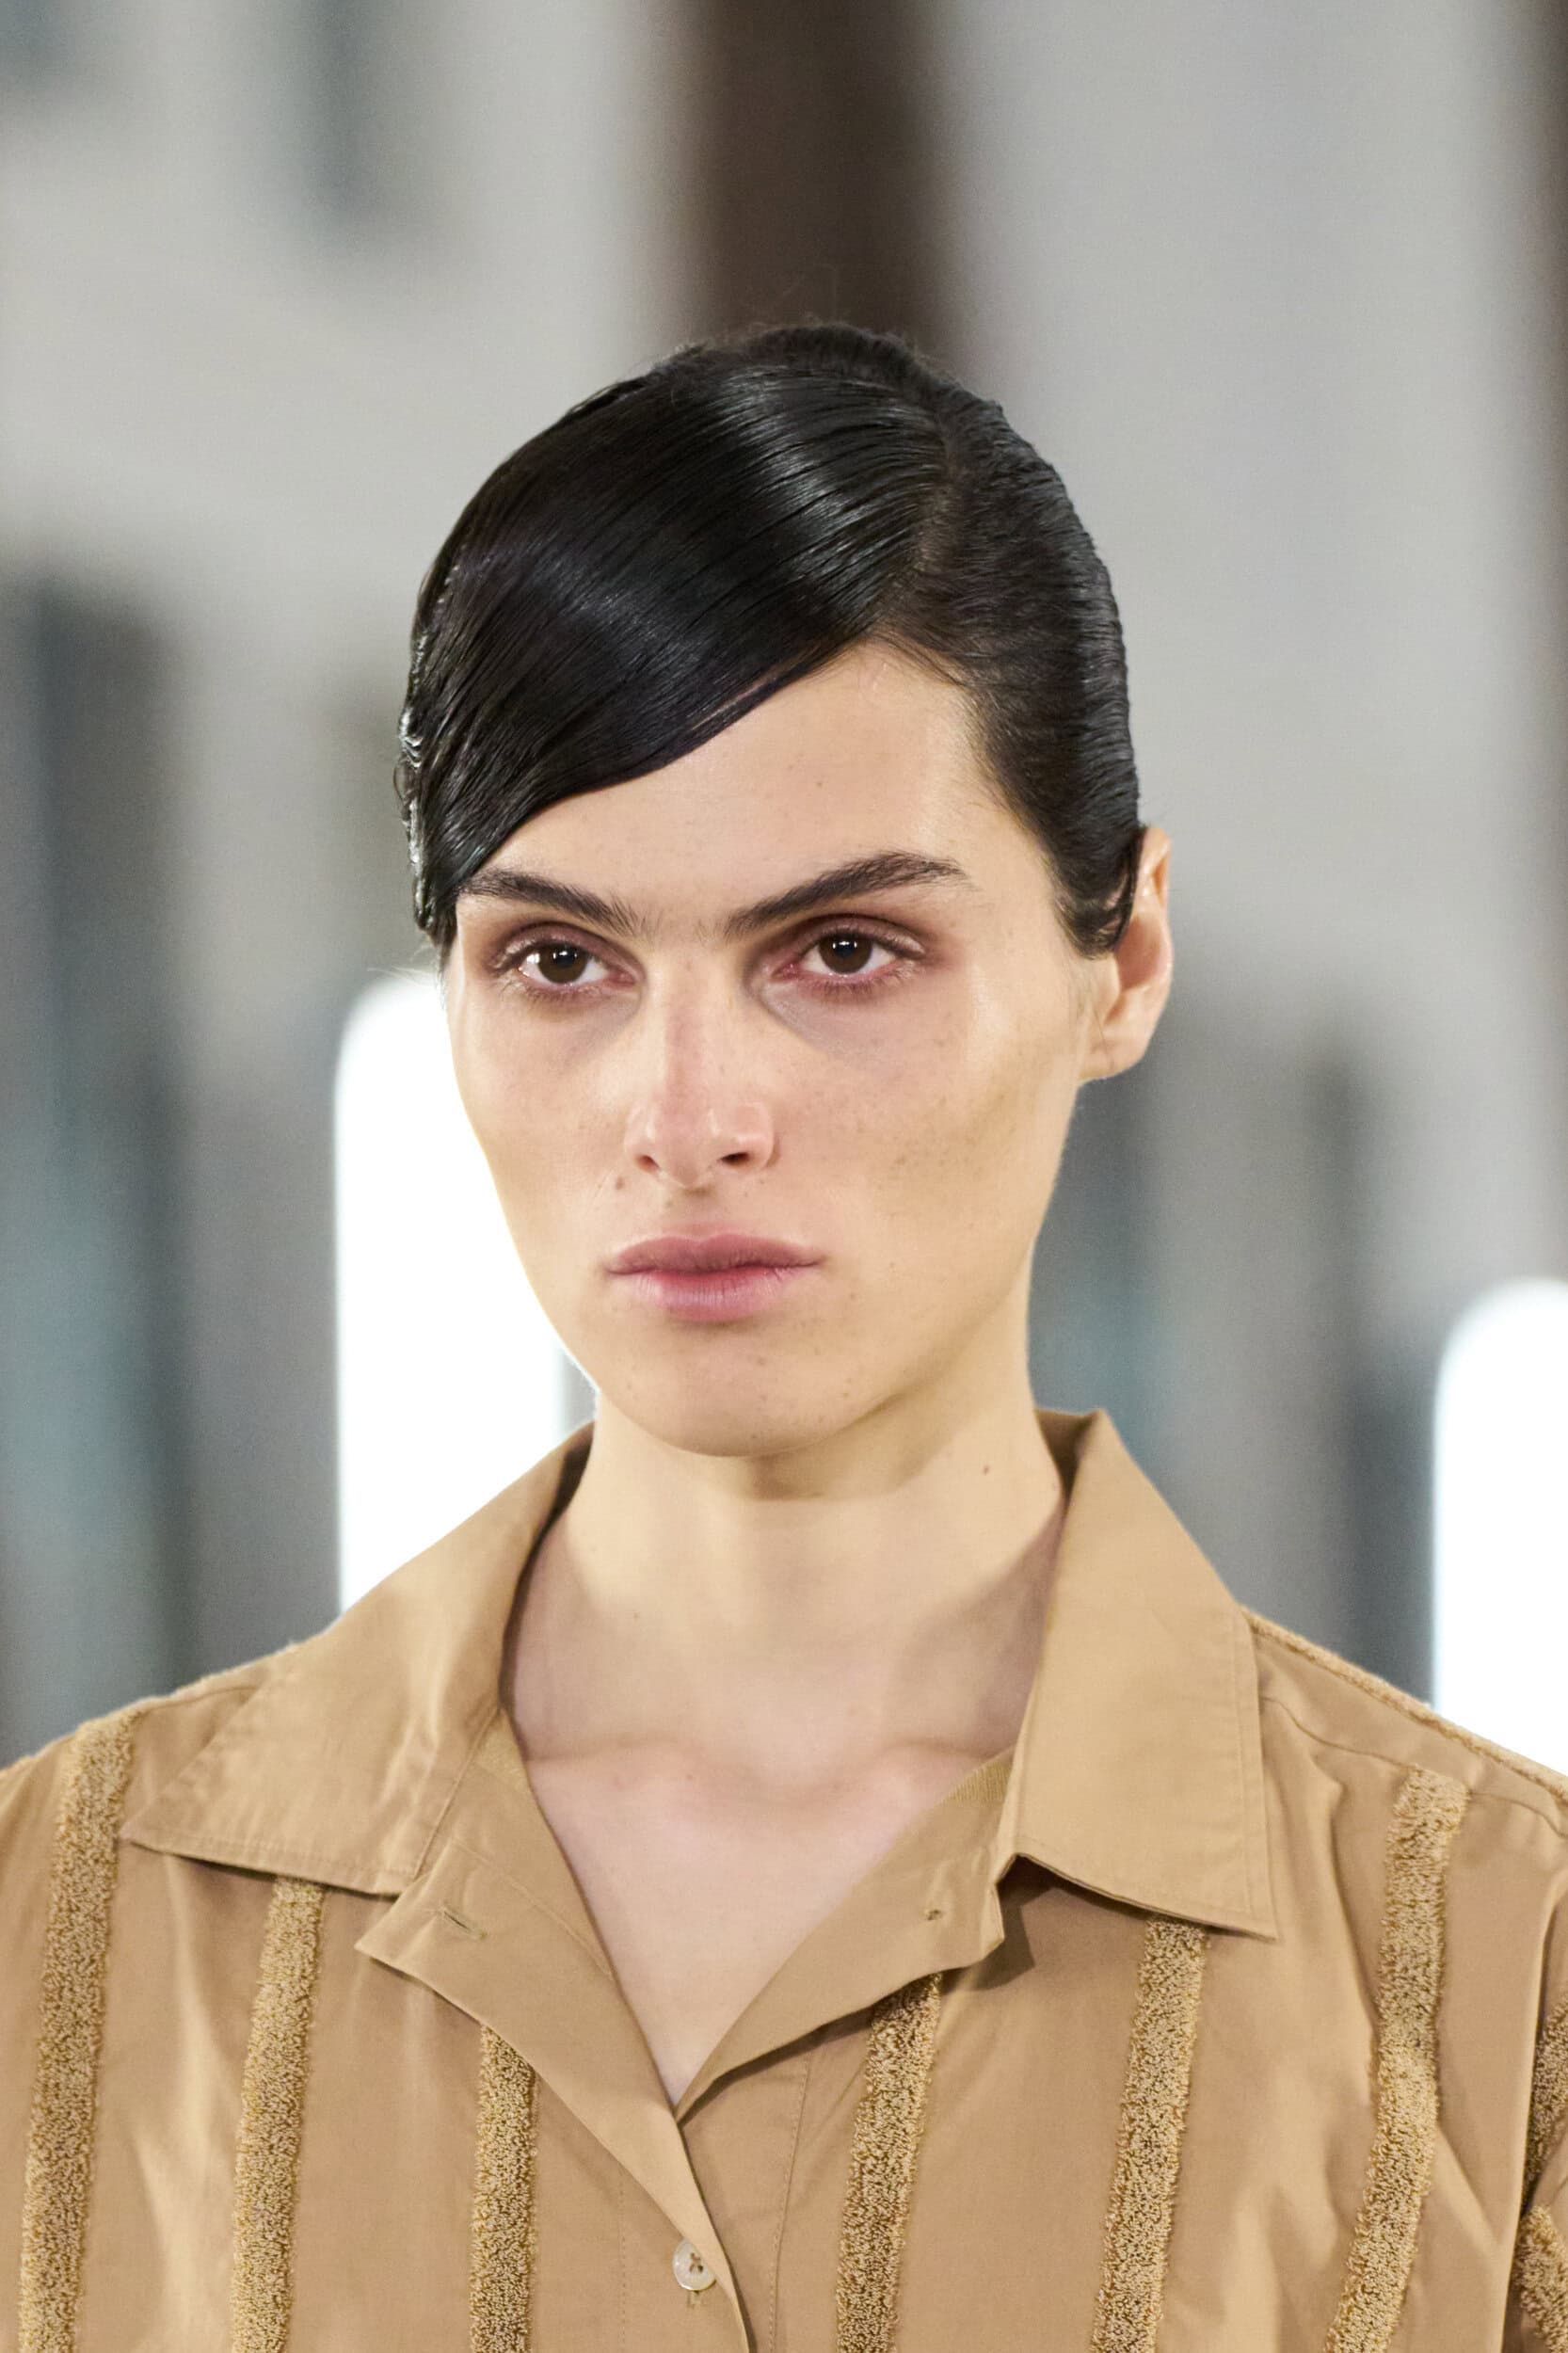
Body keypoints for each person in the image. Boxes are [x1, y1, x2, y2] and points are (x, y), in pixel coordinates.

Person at [1, 322, 1565, 2353]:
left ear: (1122, 956)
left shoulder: (1500, 1971)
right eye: (558, 959)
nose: (686, 1113)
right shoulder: (57, 1935)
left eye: (840, 950)